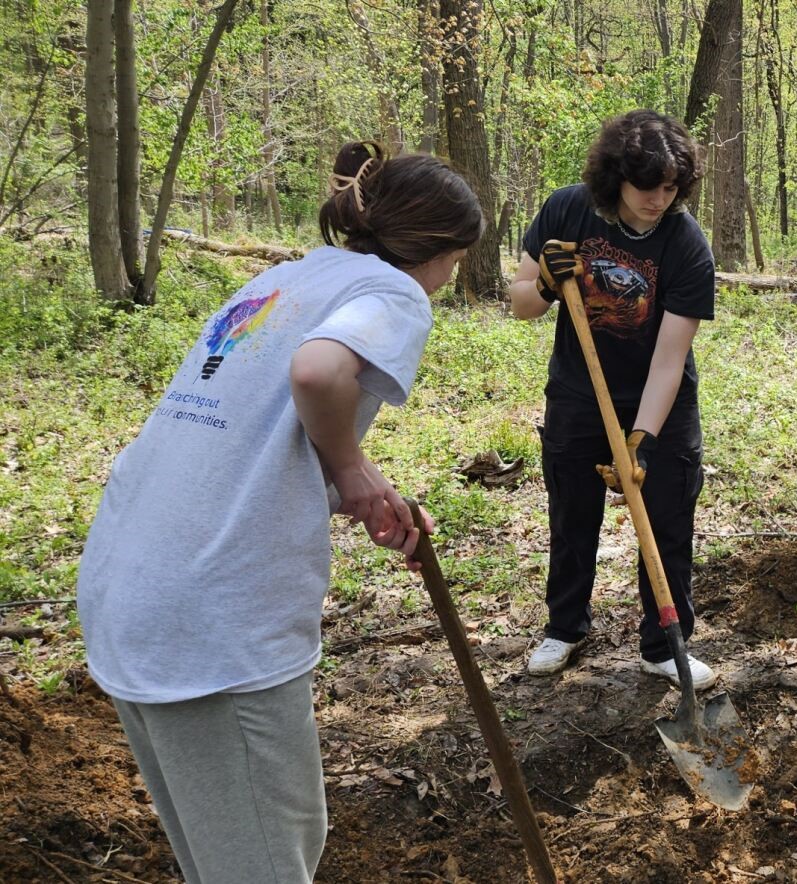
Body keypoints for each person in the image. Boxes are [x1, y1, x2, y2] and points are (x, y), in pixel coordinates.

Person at [76, 141, 482, 883]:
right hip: (212, 621)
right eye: (454, 264)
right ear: (432, 252)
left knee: (231, 859)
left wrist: (361, 488)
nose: (449, 280)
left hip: (128, 587)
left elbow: (256, 440)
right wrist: (353, 467)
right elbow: (318, 371)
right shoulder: (394, 294)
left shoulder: (287, 279)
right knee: (266, 864)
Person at [506, 110, 717, 687]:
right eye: (647, 186)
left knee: (668, 520)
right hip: (578, 393)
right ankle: (565, 627)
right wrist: (546, 281)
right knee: (573, 514)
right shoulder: (567, 210)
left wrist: (642, 438)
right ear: (616, 178)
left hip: (660, 403)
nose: (659, 199)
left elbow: (671, 358)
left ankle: (663, 645)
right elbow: (520, 302)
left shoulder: (685, 243)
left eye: (671, 188)